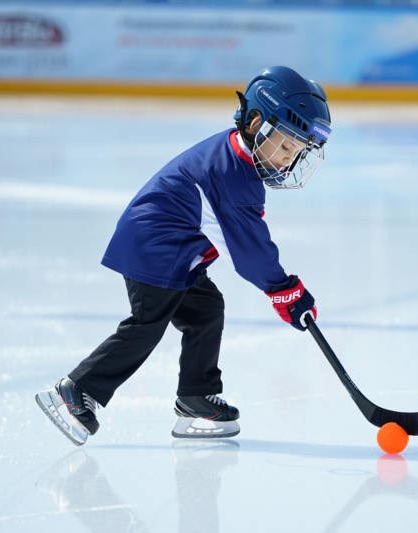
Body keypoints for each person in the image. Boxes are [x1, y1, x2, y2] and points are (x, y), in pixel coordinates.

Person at [36, 66, 332, 445]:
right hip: (152, 246)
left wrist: (282, 290)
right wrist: (285, 291)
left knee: (206, 309)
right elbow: (249, 253)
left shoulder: (238, 160)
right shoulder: (231, 175)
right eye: (286, 145)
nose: (289, 160)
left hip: (173, 250)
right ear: (257, 123)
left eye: (298, 151)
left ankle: (194, 396)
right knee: (147, 324)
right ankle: (76, 390)